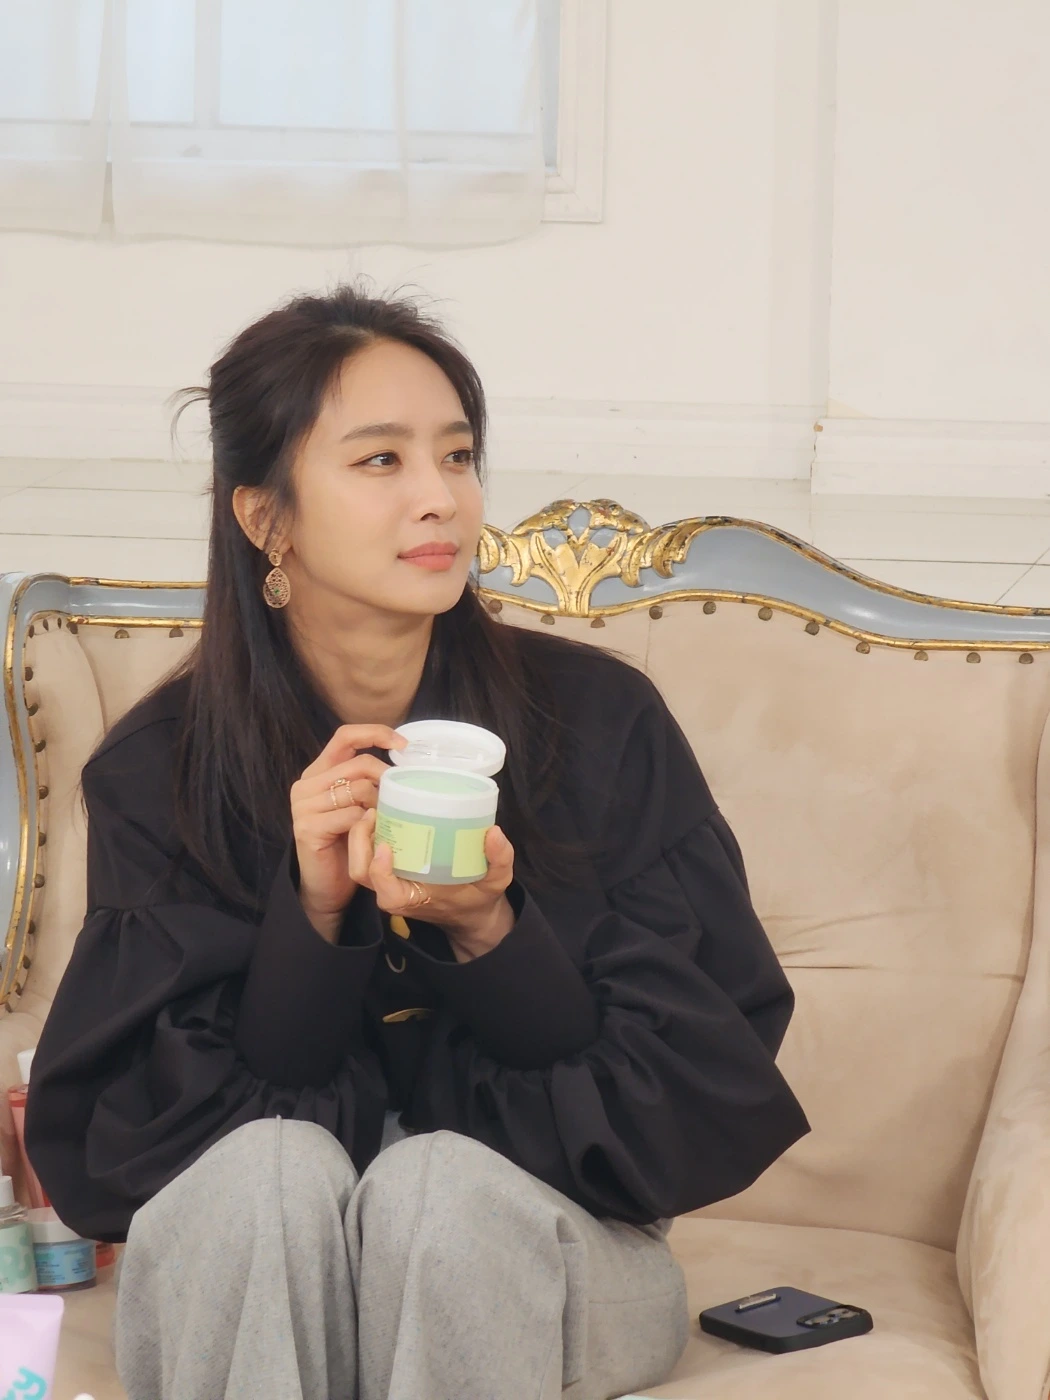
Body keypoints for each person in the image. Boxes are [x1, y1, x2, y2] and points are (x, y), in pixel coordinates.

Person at [25, 286, 808, 1400]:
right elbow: (155, 1148)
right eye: (381, 460)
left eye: (458, 454)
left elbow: (686, 1085)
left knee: (439, 1193)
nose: (441, 496)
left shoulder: (600, 725)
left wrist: (492, 931)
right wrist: (311, 917)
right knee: (264, 1178)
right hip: (256, 1273)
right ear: (266, 517)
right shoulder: (164, 769)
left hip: (545, 1247)